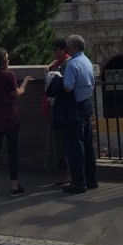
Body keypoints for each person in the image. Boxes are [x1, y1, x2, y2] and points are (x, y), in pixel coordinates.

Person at [0, 48, 33, 197]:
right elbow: (17, 94)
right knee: (12, 152)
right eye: (7, 57)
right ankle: (14, 186)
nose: (8, 59)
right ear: (3, 60)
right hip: (10, 118)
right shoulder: (8, 75)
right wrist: (24, 83)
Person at [60, 34, 97, 194]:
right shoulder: (86, 61)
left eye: (68, 46)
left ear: (75, 47)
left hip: (76, 106)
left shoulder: (72, 63)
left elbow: (68, 87)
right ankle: (91, 179)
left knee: (75, 145)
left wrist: (57, 81)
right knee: (87, 144)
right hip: (87, 103)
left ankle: (78, 182)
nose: (66, 48)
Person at [43, 38, 70, 183]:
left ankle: (66, 174)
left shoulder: (66, 64)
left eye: (55, 49)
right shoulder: (59, 63)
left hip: (60, 107)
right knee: (58, 142)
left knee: (61, 142)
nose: (53, 52)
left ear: (62, 49)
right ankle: (63, 172)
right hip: (57, 106)